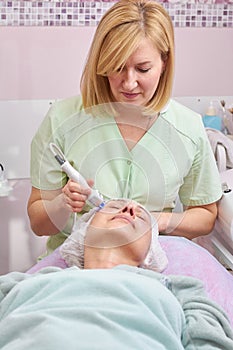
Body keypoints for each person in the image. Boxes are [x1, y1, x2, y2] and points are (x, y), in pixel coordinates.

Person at [27, 0, 222, 256]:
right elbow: (38, 224)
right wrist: (62, 204)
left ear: (164, 62)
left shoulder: (187, 128)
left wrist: (154, 220)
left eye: (143, 69)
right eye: (117, 68)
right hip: (74, 266)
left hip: (152, 265)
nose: (129, 83)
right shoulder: (62, 119)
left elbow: (205, 215)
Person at [1, 199, 233, 349]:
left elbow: (209, 343)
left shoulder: (179, 290)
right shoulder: (24, 283)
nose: (129, 209)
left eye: (142, 218)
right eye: (111, 207)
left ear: (150, 252)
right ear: (84, 232)